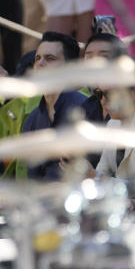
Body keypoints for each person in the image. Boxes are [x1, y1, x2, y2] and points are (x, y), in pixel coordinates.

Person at [20, 31, 87, 180]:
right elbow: (32, 178)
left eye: (50, 59)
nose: (40, 64)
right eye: (37, 58)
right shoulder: (31, 120)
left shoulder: (84, 109)